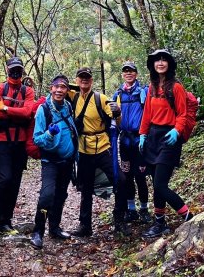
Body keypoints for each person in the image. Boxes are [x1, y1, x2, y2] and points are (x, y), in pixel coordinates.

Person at [0, 56, 35, 243]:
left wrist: (6, 108)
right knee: (5, 180)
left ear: (22, 71)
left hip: (20, 141)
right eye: (13, 69)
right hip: (2, 140)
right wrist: (7, 110)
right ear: (7, 69)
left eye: (18, 69)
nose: (16, 72)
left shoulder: (28, 91)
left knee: (15, 181)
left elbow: (28, 112)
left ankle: (6, 222)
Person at [139, 49, 193, 238]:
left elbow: (183, 114)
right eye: (157, 60)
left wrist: (177, 130)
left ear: (169, 64)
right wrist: (142, 134)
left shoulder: (176, 87)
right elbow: (147, 112)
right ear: (152, 65)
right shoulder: (152, 87)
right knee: (156, 183)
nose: (160, 63)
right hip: (153, 136)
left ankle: (189, 217)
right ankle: (160, 223)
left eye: (164, 60)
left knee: (161, 184)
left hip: (169, 137)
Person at [69, 67, 129, 237]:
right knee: (85, 188)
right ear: (77, 79)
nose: (84, 80)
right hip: (83, 149)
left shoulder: (100, 98)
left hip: (102, 147)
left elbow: (116, 120)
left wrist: (117, 113)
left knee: (121, 181)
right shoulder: (73, 98)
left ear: (92, 80)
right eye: (81, 77)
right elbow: (60, 89)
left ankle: (119, 220)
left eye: (87, 77)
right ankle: (85, 225)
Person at [30, 74, 78, 249]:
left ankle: (54, 228)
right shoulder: (44, 110)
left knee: (61, 195)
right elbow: (37, 139)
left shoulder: (68, 107)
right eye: (56, 87)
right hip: (50, 161)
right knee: (47, 195)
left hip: (67, 161)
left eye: (63, 87)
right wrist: (49, 134)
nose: (59, 90)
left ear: (67, 90)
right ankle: (38, 231)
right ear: (51, 88)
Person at [112, 61, 151, 224]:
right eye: (125, 71)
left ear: (136, 74)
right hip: (124, 141)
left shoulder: (143, 92)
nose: (128, 73)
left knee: (140, 176)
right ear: (123, 74)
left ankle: (144, 209)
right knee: (127, 176)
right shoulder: (118, 94)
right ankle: (131, 210)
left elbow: (150, 111)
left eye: (131, 71)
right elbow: (112, 116)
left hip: (139, 140)